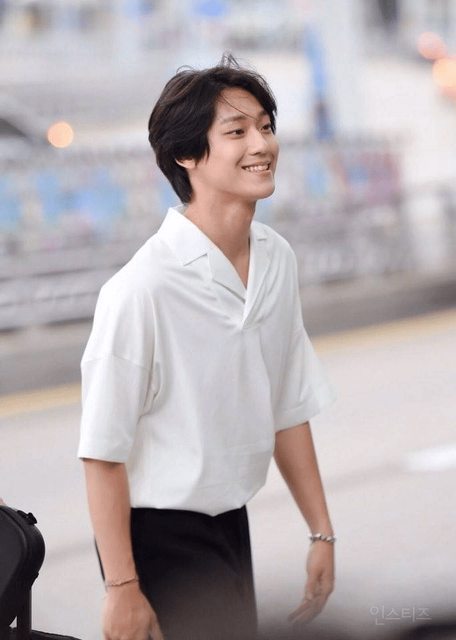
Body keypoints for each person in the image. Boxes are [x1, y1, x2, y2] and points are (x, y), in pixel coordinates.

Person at [78, 53, 337, 640]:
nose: (262, 145)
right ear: (186, 155)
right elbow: (102, 454)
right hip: (157, 538)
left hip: (230, 525)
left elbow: (286, 404)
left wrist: (321, 530)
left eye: (266, 127)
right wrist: (122, 588)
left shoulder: (275, 259)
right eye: (237, 132)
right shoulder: (141, 289)